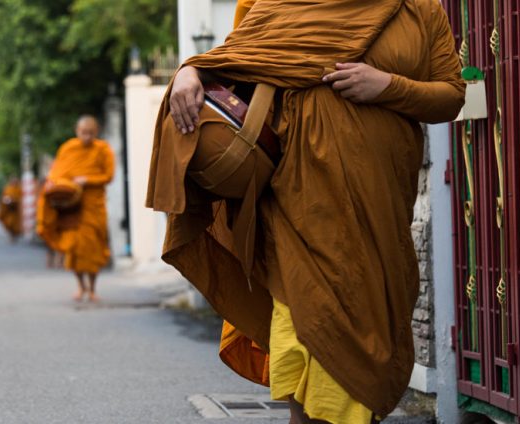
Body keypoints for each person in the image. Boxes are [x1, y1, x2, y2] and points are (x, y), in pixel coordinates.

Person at [146, 0, 465, 422]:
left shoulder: (419, 9)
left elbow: (451, 95)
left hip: (379, 206)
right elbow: (235, 62)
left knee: (367, 340)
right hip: (298, 204)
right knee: (302, 336)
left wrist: (386, 86)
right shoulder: (278, 3)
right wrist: (189, 72)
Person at [41, 115, 115, 302]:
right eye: (83, 133)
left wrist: (86, 180)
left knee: (93, 248)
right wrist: (54, 184)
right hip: (72, 207)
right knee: (74, 247)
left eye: (90, 133)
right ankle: (81, 286)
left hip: (93, 205)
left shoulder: (103, 149)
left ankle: (92, 288)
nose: (87, 137)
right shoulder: (68, 148)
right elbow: (57, 173)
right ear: (77, 131)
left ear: (96, 133)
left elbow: (108, 176)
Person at [0, 176, 22, 242]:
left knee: (15, 225)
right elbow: (3, 197)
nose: (14, 183)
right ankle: (11, 235)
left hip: (16, 210)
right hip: (8, 210)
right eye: (12, 181)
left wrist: (15, 200)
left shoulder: (19, 189)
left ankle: (14, 235)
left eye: (15, 181)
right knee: (9, 223)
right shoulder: (7, 188)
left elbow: (21, 198)